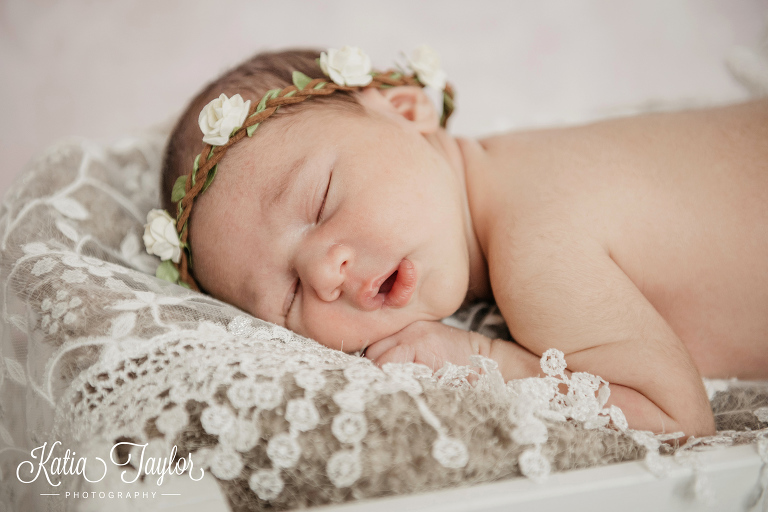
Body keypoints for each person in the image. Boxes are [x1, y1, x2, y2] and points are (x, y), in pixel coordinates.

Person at [145, 46, 768, 439]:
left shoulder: (535, 242)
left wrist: (484, 360)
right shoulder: (513, 167)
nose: (323, 270)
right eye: (285, 298)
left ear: (408, 110)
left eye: (319, 199)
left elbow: (677, 418)